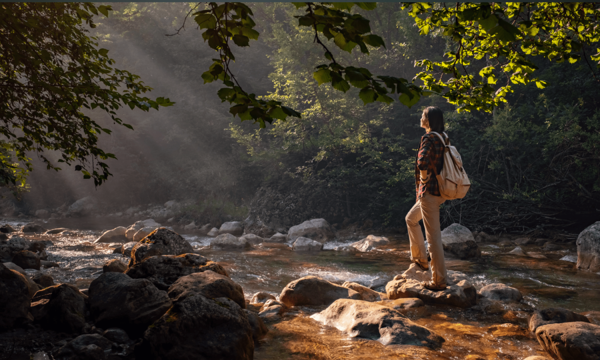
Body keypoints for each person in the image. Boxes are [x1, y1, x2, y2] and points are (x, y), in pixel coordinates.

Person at [405, 106, 448, 290]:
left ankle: (438, 281)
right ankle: (421, 259)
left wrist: (423, 179)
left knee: (433, 238)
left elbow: (422, 161)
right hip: (441, 191)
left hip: (429, 192)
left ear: (429, 120)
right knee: (410, 219)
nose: (420, 117)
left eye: (423, 115)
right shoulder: (443, 137)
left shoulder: (428, 138)